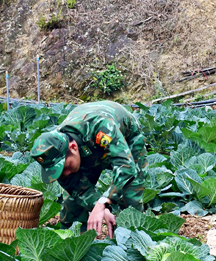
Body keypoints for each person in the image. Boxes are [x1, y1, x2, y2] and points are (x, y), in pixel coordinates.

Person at [30, 101, 146, 238]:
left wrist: (104, 201)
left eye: (66, 167)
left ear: (73, 148)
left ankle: (131, 241)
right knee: (72, 204)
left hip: (126, 139)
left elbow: (126, 167)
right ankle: (75, 243)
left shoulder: (100, 126)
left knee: (130, 197)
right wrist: (104, 211)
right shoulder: (55, 148)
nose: (65, 173)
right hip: (87, 150)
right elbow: (79, 190)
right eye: (60, 171)